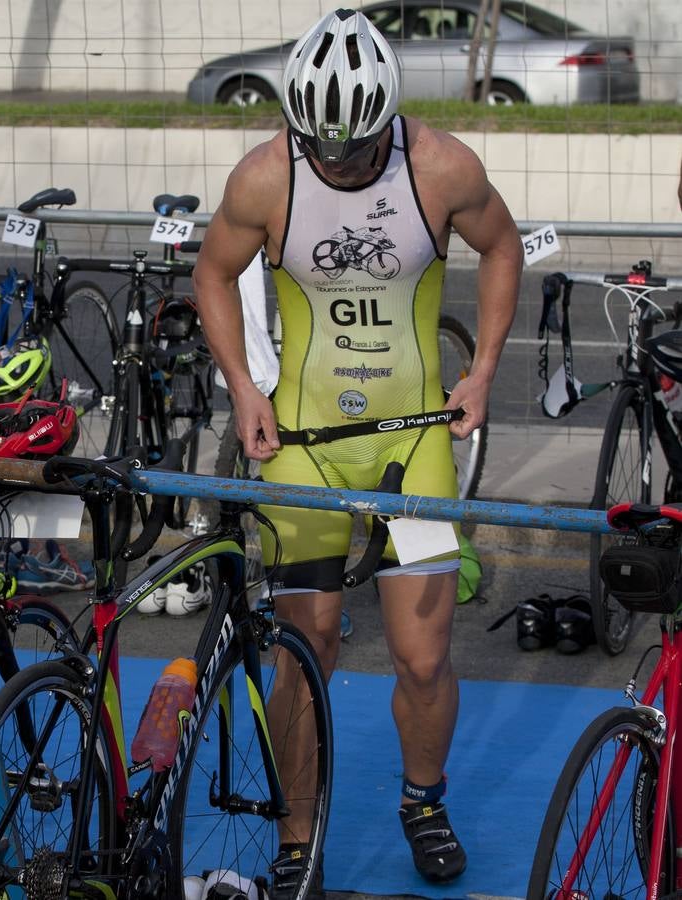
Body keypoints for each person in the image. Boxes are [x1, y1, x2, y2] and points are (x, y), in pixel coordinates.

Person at [193, 9, 522, 896]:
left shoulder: (443, 165)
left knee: (421, 655)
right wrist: (244, 388)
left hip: (409, 445)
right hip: (300, 447)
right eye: (321, 149)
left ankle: (422, 798)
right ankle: (298, 840)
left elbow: (501, 247)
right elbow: (211, 273)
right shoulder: (264, 177)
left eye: (355, 149)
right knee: (309, 648)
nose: (336, 164)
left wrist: (483, 369)